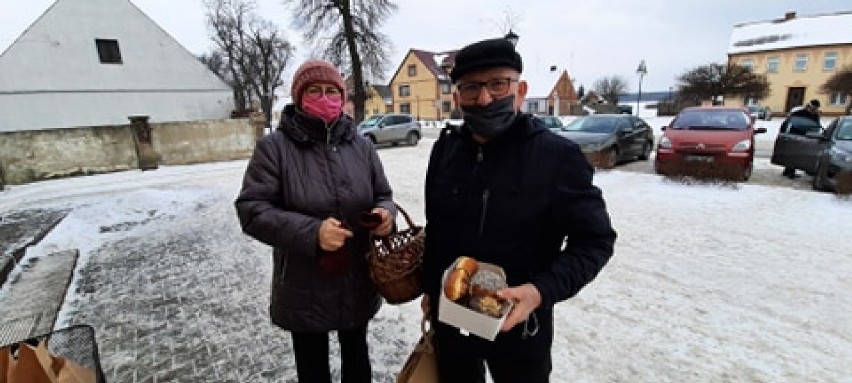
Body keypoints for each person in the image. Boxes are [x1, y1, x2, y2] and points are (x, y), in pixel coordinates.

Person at [420, 38, 617, 382]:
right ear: (457, 98)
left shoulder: (557, 158)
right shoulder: (445, 152)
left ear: (520, 90)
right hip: (452, 323)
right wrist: (430, 288)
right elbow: (437, 228)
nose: (484, 99)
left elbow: (595, 241)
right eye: (470, 88)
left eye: (498, 84)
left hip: (521, 326)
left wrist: (540, 292)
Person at [235, 59, 396, 383]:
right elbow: (252, 209)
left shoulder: (361, 145)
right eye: (315, 90)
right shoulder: (274, 148)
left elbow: (384, 194)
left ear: (342, 95)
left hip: (356, 277)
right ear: (299, 96)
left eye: (332, 90)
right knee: (312, 369)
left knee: (357, 358)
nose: (325, 97)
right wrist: (312, 232)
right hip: (304, 281)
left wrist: (385, 215)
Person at [783, 99, 822, 178]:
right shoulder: (799, 113)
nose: (813, 110)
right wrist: (783, 132)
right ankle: (789, 171)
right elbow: (787, 121)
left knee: (798, 154)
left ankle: (789, 170)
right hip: (794, 134)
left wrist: (815, 133)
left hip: (806, 136)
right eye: (812, 108)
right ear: (809, 106)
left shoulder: (815, 116)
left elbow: (816, 126)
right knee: (793, 154)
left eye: (815, 109)